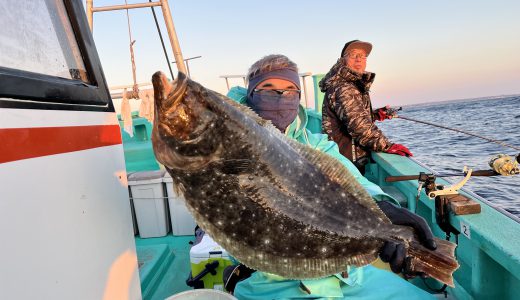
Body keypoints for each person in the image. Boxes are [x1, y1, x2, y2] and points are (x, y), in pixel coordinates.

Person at [225, 54, 436, 299]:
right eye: (268, 89)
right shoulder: (232, 146)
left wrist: (380, 207)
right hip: (273, 278)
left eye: (290, 90)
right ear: (250, 95)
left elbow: (350, 178)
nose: (280, 97)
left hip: (347, 274)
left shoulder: (314, 145)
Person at [320, 40, 412, 173]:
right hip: (345, 163)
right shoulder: (343, 87)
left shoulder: (350, 84)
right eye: (353, 55)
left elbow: (349, 116)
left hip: (345, 160)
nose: (359, 59)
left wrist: (375, 115)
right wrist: (386, 146)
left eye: (363, 56)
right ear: (342, 60)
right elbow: (358, 125)